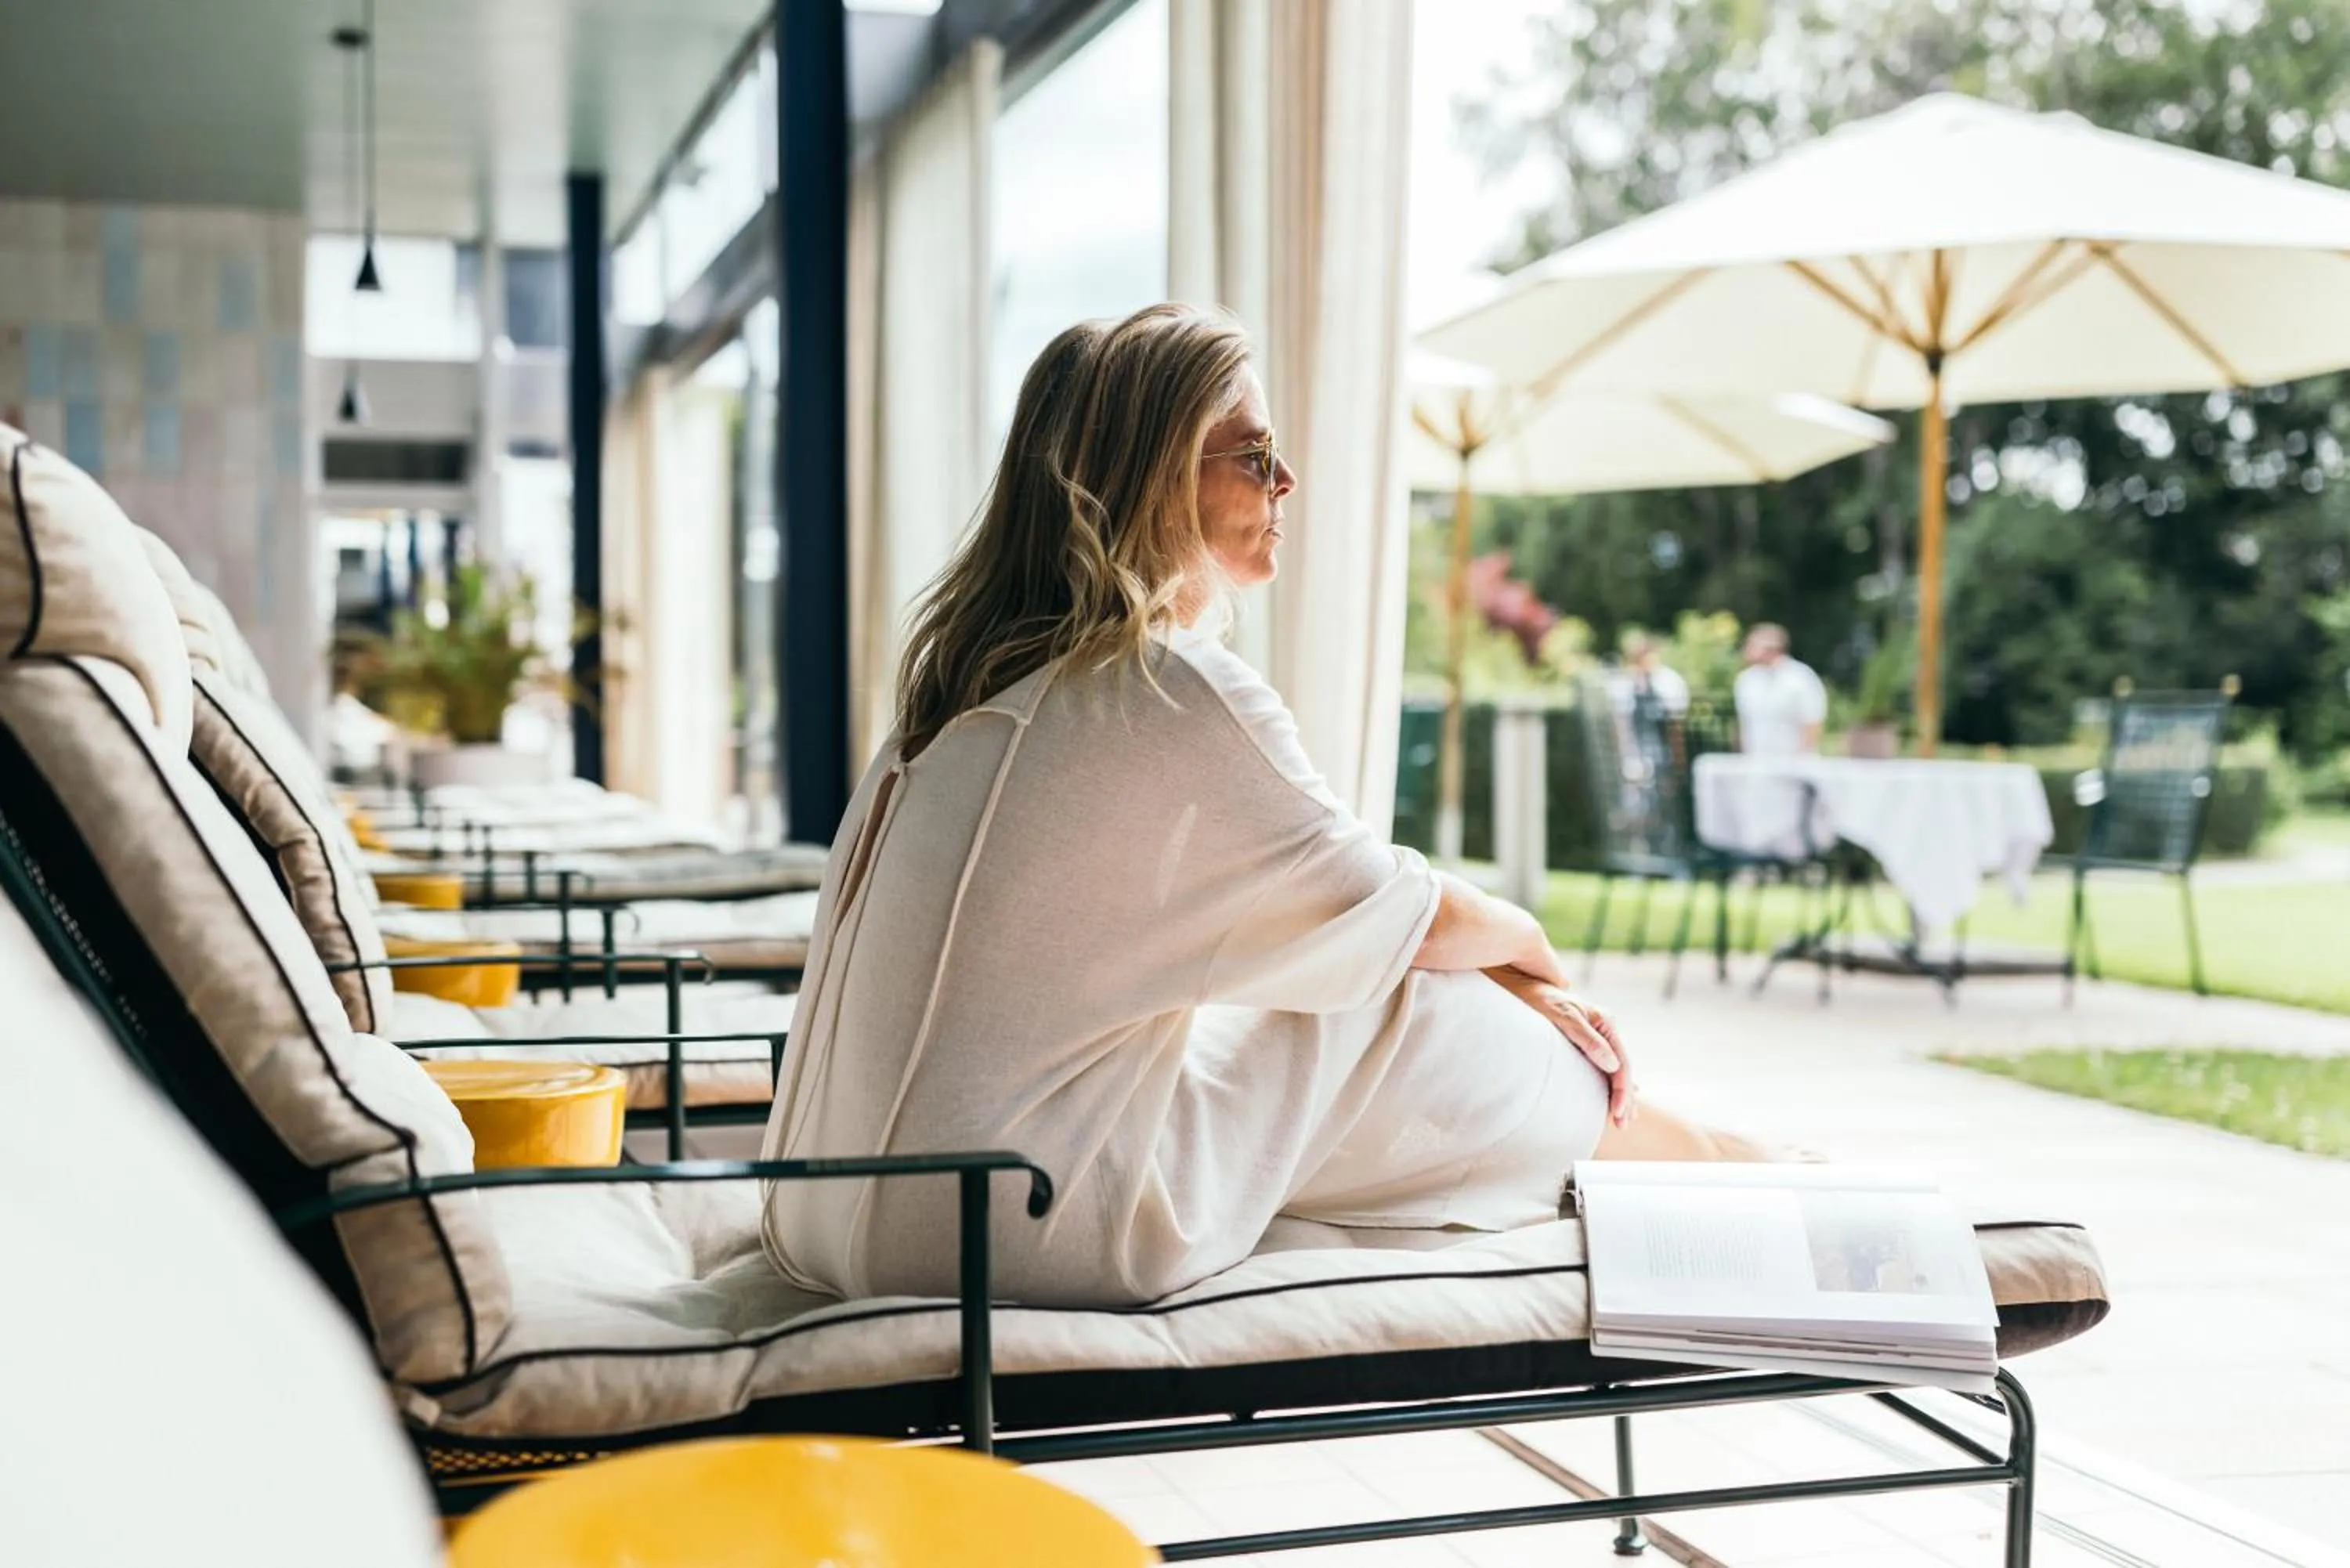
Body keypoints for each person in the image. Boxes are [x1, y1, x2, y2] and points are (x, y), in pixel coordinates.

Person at [760, 304, 1781, 1311]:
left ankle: (1702, 1154)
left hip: (840, 1205)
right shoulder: (1158, 686)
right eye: (1252, 456)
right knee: (1403, 997)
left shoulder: (968, 697)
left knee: (1313, 997)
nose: (1286, 481)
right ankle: (1725, 1169)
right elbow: (1396, 913)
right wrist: (1535, 962)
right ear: (1153, 479)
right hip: (1001, 1230)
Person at [1734, 623, 1828, 757]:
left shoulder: (1801, 677)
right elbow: (1744, 725)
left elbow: (1812, 723)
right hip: (1757, 764)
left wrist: (1798, 760)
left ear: (1771, 649)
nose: (1746, 650)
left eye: (1751, 645)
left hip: (1794, 764)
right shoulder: (1746, 680)